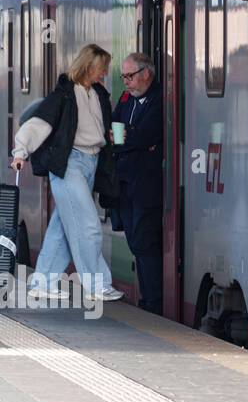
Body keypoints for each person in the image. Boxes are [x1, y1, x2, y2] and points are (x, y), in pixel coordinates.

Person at [10, 43, 121, 303]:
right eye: (101, 68)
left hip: (91, 163)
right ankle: (97, 284)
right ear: (89, 66)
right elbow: (39, 123)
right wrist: (20, 152)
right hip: (68, 164)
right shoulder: (63, 95)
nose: (104, 73)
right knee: (88, 224)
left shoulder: (99, 94)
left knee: (62, 227)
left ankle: (42, 283)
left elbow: (105, 126)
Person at [112, 52, 164, 315]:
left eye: (130, 76)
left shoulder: (159, 99)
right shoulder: (125, 100)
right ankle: (147, 299)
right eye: (124, 77)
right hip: (125, 183)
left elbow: (149, 133)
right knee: (134, 241)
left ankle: (152, 303)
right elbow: (115, 129)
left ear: (146, 73)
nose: (126, 82)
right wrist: (131, 138)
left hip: (147, 185)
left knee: (145, 241)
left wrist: (130, 138)